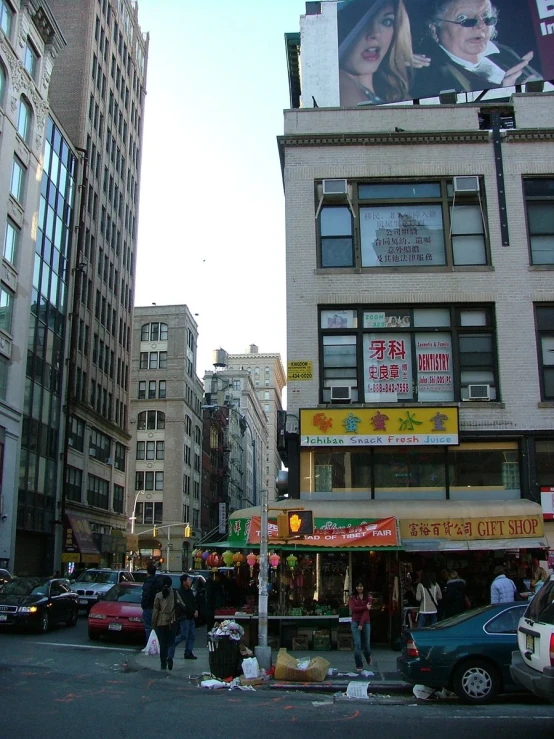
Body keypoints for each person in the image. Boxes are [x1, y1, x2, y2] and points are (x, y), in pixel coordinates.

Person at [411, 0, 541, 100]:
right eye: (464, 19)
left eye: (486, 17)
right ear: (434, 29)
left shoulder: (504, 53)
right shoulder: (423, 73)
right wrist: (505, 95)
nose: (480, 25)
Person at [338, 0, 430, 106]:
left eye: (387, 22)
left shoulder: (390, 89)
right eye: (360, 22)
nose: (375, 33)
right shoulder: (342, 83)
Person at [349, 581, 373, 671]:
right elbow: (353, 609)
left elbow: (367, 612)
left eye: (361, 586)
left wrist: (361, 624)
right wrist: (364, 607)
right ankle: (359, 665)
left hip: (365, 622)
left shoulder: (369, 597)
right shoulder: (352, 597)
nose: (359, 588)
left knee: (366, 645)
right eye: (358, 586)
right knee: (357, 644)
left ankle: (368, 656)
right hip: (355, 622)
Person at [175, 573, 198, 660]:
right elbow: (183, 605)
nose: (190, 581)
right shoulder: (180, 592)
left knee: (191, 635)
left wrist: (196, 610)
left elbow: (193, 602)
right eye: (188, 580)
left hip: (190, 617)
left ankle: (188, 652)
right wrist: (193, 611)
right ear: (184, 582)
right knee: (183, 635)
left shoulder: (190, 591)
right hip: (184, 617)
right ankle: (170, 645)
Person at [140, 562, 161, 641]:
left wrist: (144, 605)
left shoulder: (148, 583)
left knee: (148, 627)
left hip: (149, 607)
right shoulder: (158, 582)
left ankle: (150, 644)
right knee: (156, 627)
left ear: (147, 572)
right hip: (156, 607)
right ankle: (156, 643)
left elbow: (145, 595)